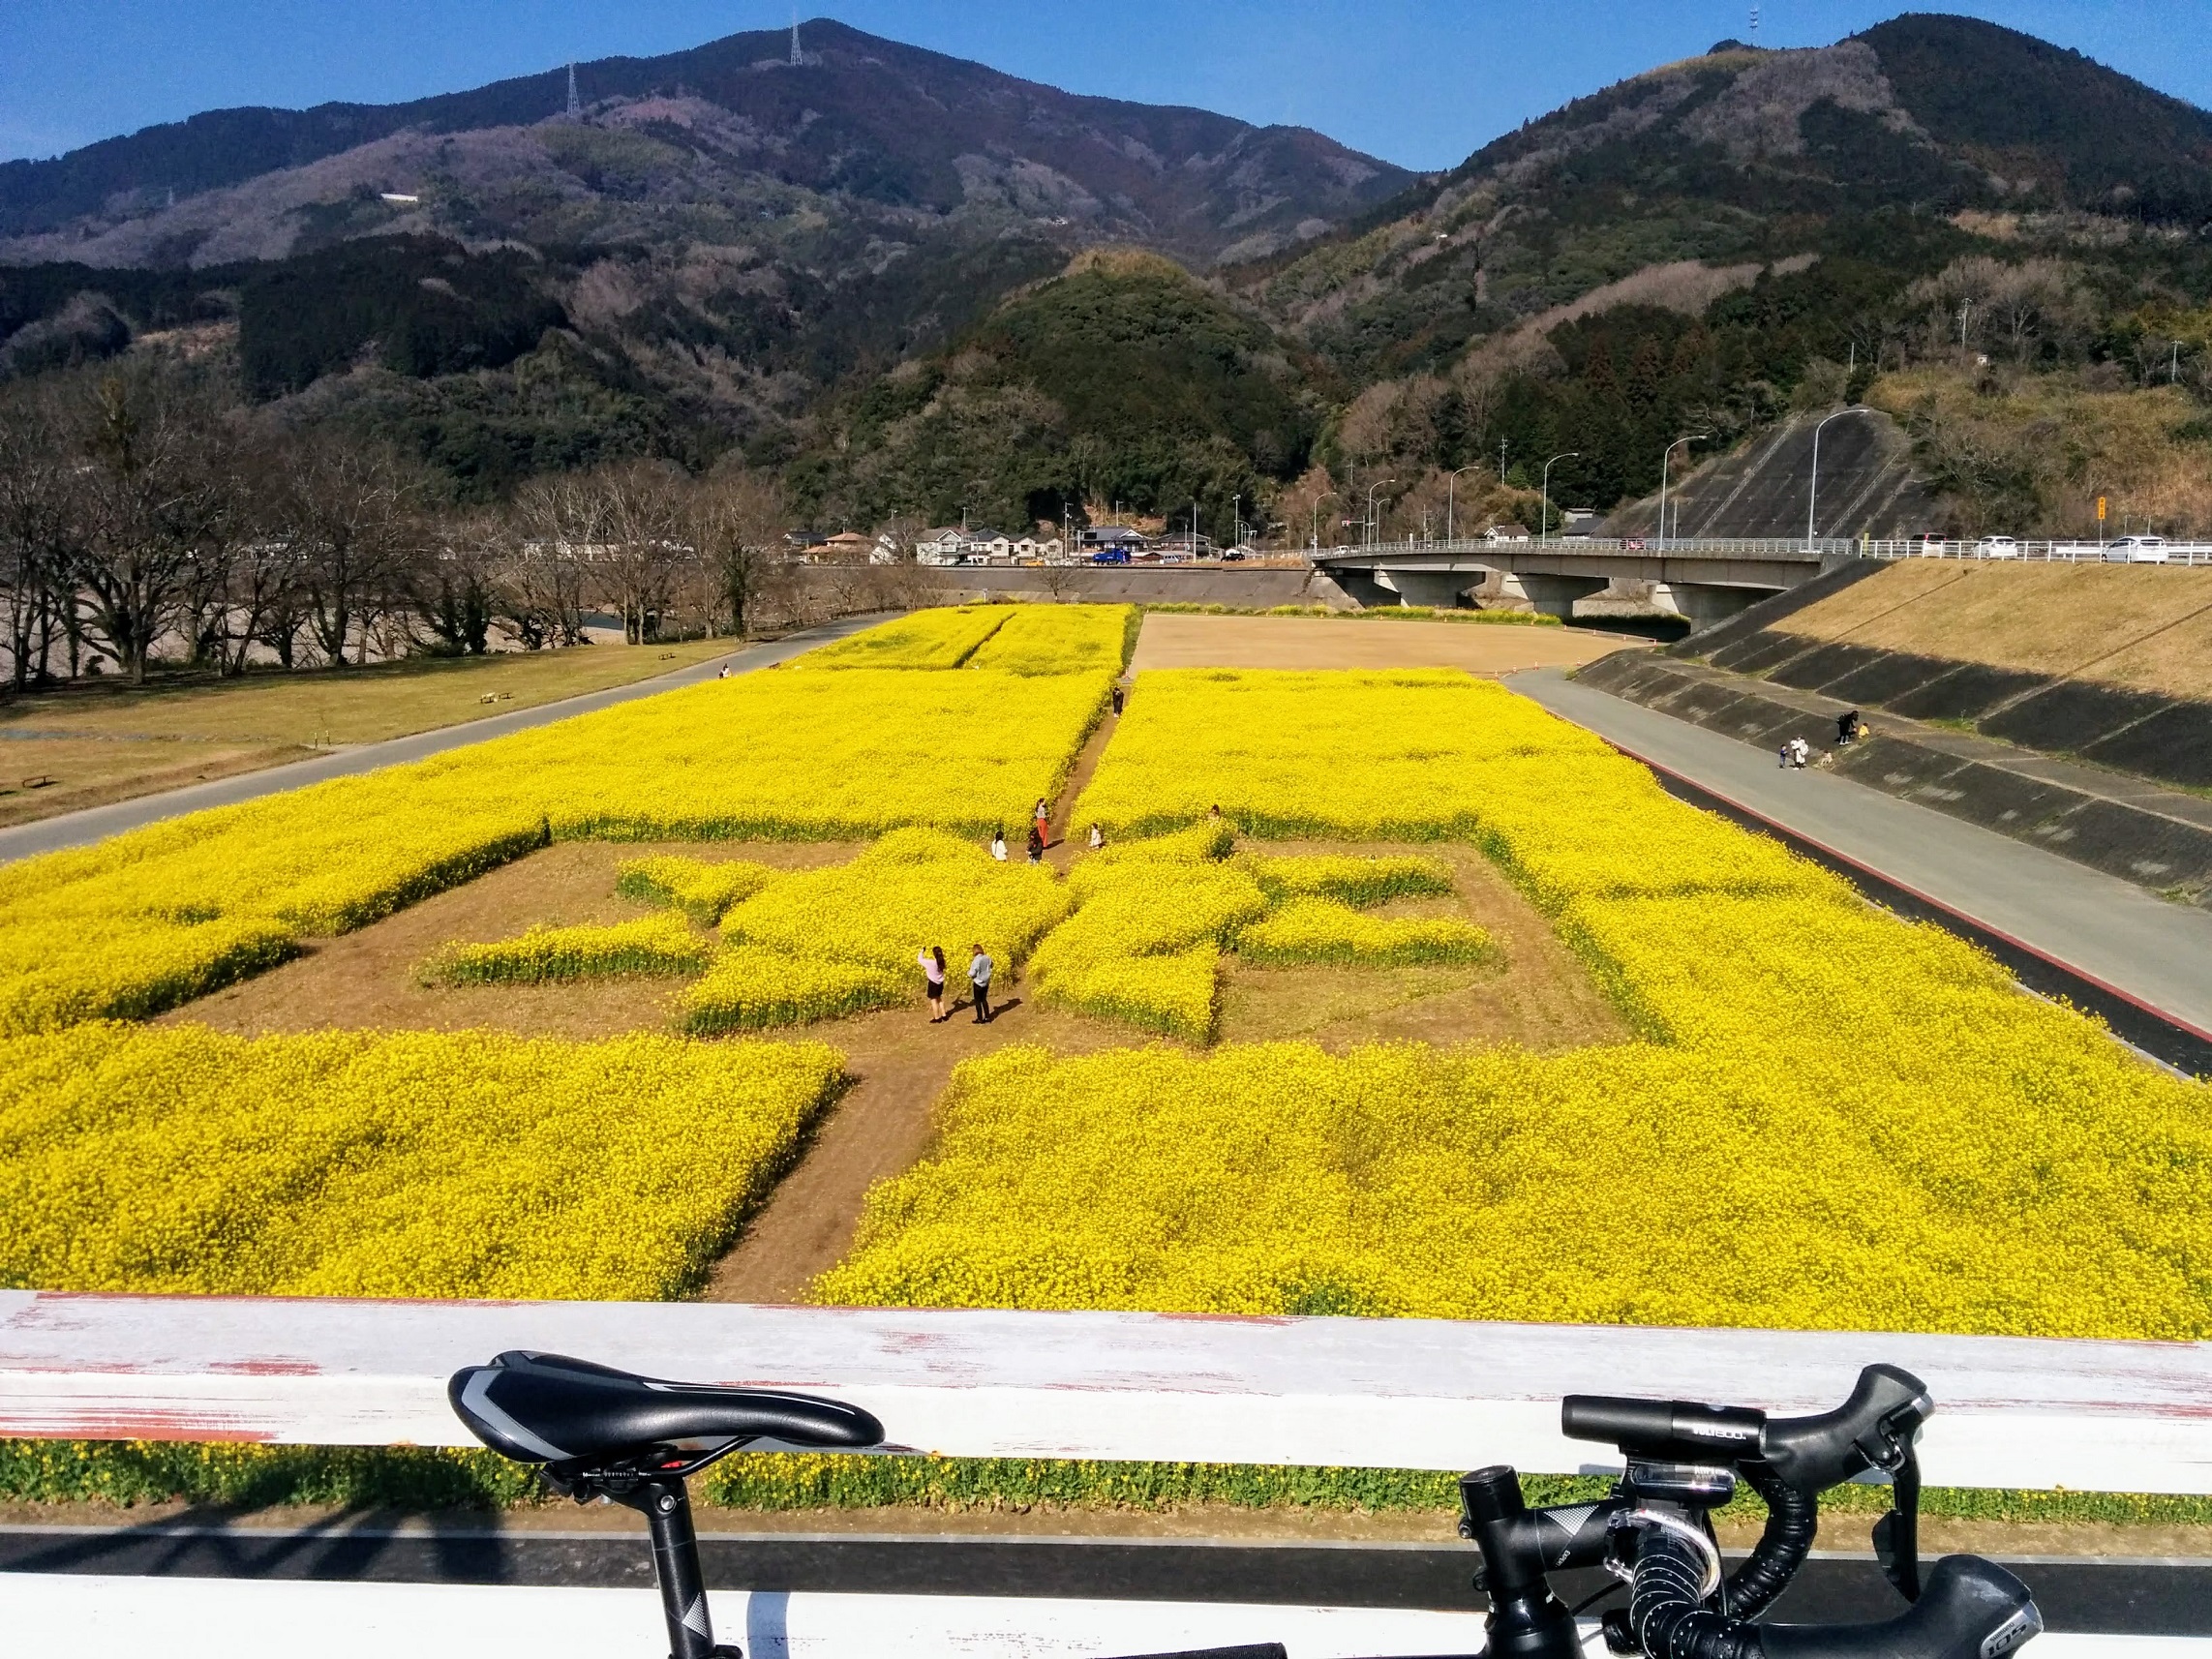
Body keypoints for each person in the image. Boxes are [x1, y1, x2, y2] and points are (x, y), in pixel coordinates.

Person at [918, 946, 948, 1023]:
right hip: (940, 983)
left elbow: (920, 959)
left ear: (934, 954)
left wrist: (922, 951)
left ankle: (937, 1018)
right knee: (939, 998)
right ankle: (944, 1015)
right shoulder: (941, 961)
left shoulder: (931, 963)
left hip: (933, 984)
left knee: (934, 1001)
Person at [968, 943, 994, 1024]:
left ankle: (980, 1018)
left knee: (977, 1001)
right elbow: (992, 965)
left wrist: (968, 973)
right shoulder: (987, 957)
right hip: (986, 983)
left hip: (978, 983)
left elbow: (972, 973)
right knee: (984, 1000)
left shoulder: (976, 960)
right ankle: (987, 1017)